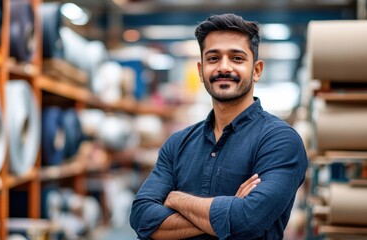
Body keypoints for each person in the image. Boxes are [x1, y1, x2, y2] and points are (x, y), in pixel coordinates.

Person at [129, 13, 308, 240]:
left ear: (257, 70)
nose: (224, 68)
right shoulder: (177, 144)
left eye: (237, 58)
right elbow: (142, 217)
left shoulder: (280, 141)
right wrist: (229, 212)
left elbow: (248, 221)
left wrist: (176, 200)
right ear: (201, 70)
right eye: (213, 58)